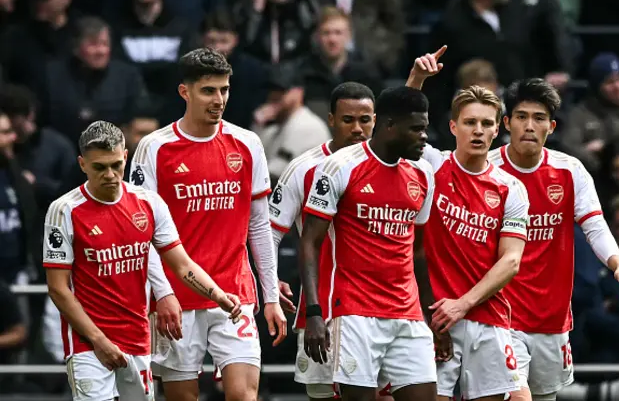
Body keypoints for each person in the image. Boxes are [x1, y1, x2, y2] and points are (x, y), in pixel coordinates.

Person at [129, 47, 286, 401]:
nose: (219, 100)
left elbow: (259, 226)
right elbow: (143, 234)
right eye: (208, 91)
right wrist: (162, 294)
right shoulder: (154, 149)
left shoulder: (247, 144)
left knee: (244, 395)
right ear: (185, 91)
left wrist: (271, 296)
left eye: (224, 90)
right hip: (176, 298)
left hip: (235, 292)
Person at [43, 121, 241, 401]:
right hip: (87, 342)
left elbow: (182, 265)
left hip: (137, 337)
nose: (110, 175)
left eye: (116, 165)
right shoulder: (64, 210)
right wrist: (99, 341)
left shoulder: (149, 203)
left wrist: (218, 295)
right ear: (82, 164)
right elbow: (58, 289)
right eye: (99, 167)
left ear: (125, 157)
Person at [487, 79, 619, 401]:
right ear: (506, 123)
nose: (529, 125)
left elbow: (594, 225)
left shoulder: (570, 170)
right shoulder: (486, 170)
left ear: (551, 126)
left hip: (551, 317)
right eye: (521, 116)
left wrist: (616, 263)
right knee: (514, 396)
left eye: (538, 118)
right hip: (498, 314)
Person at [300, 86, 438, 401]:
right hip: (354, 312)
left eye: (425, 128)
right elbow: (311, 241)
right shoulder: (340, 166)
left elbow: (418, 251)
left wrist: (429, 316)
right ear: (389, 126)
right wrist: (314, 312)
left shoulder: (424, 173)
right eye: (416, 129)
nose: (424, 137)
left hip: (408, 313)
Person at [419, 86, 530, 401]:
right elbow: (399, 116)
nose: (478, 130)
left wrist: (463, 303)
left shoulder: (511, 188)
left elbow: (510, 261)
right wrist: (417, 78)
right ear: (453, 127)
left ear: (497, 129)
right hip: (434, 317)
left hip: (485, 316)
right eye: (469, 122)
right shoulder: (432, 165)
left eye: (485, 123)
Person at [269, 81, 376, 401]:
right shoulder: (303, 168)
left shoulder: (397, 166)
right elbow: (269, 231)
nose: (357, 129)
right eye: (347, 120)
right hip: (323, 308)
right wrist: (270, 279)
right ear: (330, 120)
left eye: (365, 120)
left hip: (384, 309)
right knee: (322, 394)